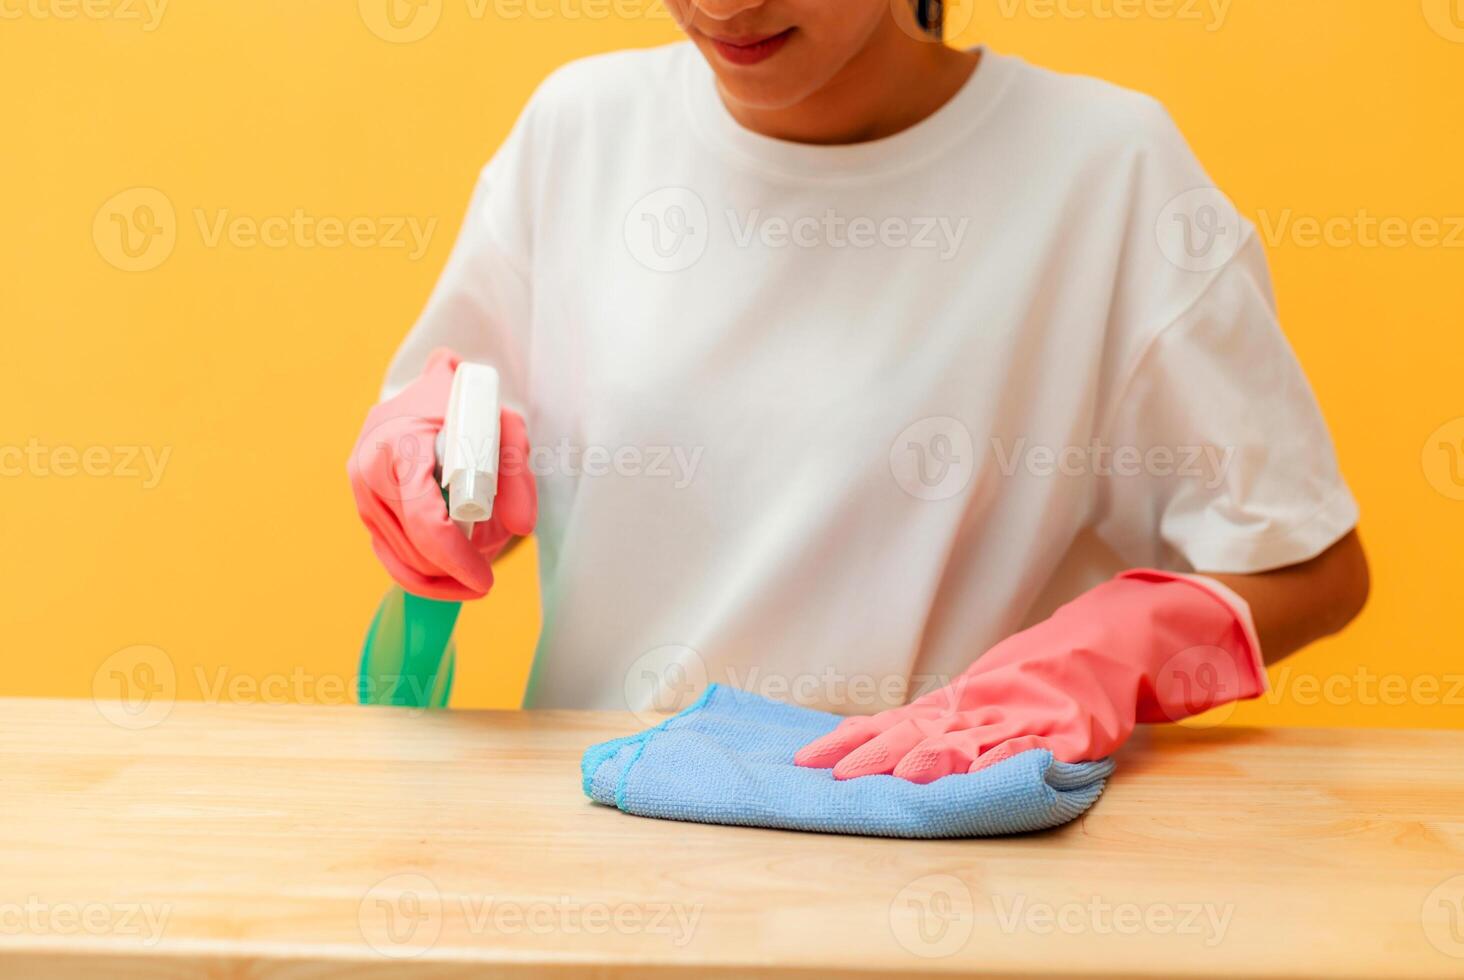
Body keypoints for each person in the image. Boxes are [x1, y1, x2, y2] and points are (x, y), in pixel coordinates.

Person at [349, 0, 1370, 783]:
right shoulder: (580, 129)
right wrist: (435, 479)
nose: (725, 3)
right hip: (601, 867)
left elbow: (1313, 564)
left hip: (931, 872)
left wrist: (1114, 653)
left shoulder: (1108, 174)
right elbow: (469, 459)